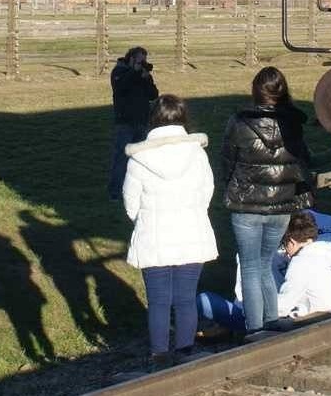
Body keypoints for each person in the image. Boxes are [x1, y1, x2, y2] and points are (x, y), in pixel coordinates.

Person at [122, 94, 217, 369]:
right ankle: (186, 350)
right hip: (191, 232)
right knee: (186, 297)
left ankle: (159, 355)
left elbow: (131, 203)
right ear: (182, 118)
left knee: (159, 301)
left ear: (153, 119)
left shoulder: (139, 159)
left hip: (154, 236)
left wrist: (145, 219)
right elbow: (206, 192)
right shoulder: (197, 153)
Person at [221, 66, 313, 333]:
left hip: (246, 203)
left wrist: (230, 186)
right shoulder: (293, 123)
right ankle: (271, 318)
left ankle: (255, 326)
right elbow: (302, 159)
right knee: (265, 263)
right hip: (281, 204)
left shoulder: (239, 122)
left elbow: (227, 159)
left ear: (255, 91)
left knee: (250, 266)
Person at [276, 211, 331, 320]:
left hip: (329, 324)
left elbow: (282, 307)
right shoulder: (330, 253)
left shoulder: (301, 262)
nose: (286, 252)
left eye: (284, 245)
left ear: (291, 242)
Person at [109, 46, 159, 200]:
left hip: (142, 120)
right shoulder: (119, 72)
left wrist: (145, 78)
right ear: (131, 58)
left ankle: (138, 190)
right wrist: (134, 71)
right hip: (125, 121)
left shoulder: (142, 74)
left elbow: (153, 95)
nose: (143, 63)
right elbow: (121, 88)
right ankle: (115, 192)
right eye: (140, 60)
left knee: (141, 158)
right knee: (121, 158)